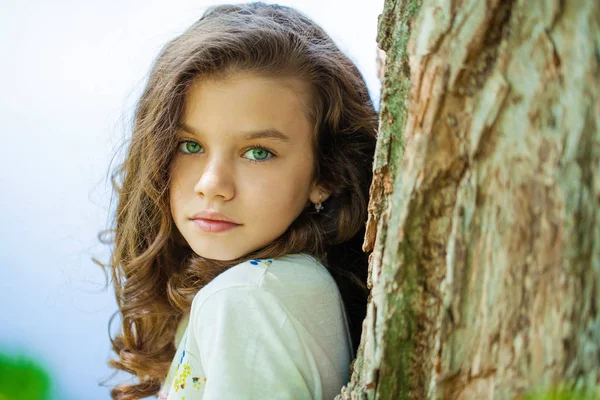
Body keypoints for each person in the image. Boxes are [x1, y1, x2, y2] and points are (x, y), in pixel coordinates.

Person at [103, 2, 378, 399]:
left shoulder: (247, 298)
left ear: (326, 175)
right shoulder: (276, 285)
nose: (213, 184)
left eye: (258, 152)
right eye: (190, 145)